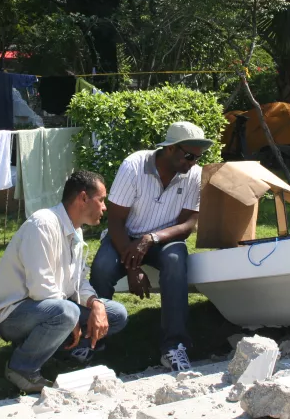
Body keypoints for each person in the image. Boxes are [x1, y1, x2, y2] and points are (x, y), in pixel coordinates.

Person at [0, 170, 128, 393]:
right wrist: (73, 320)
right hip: (10, 315)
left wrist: (95, 304)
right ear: (83, 198)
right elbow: (41, 287)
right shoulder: (43, 224)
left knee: (115, 314)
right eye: (101, 200)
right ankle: (20, 368)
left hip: (50, 309)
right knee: (67, 313)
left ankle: (61, 352)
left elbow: (78, 282)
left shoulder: (76, 231)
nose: (104, 207)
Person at [89, 121, 212, 372]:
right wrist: (133, 267)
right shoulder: (134, 166)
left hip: (164, 240)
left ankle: (174, 346)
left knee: (176, 261)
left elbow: (189, 224)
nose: (193, 163)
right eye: (188, 156)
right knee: (101, 268)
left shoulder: (194, 174)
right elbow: (115, 221)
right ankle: (95, 339)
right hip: (124, 236)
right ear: (170, 149)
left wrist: (151, 239)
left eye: (198, 157)